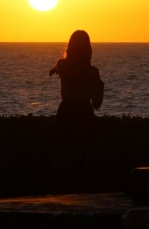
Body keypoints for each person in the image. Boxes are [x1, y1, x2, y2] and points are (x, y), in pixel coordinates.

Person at [49, 30, 104, 189]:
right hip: (83, 113)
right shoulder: (92, 72)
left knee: (63, 156)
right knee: (82, 156)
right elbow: (97, 103)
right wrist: (99, 85)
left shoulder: (62, 65)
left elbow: (58, 66)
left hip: (66, 111)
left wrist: (55, 69)